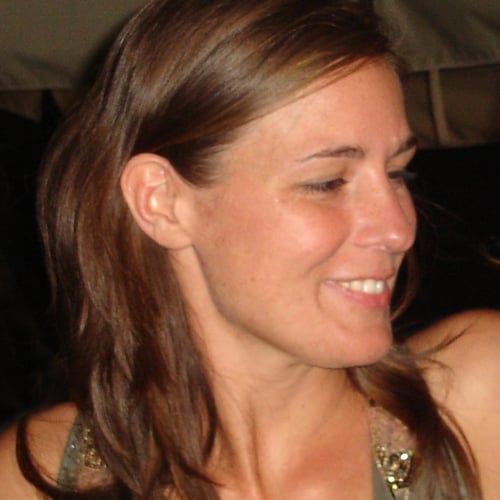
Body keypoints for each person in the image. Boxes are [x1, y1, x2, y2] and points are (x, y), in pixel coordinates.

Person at [0, 0, 499, 497]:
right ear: (162, 202)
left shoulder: (475, 401)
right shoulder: (35, 479)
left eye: (397, 173)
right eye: (327, 182)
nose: (398, 229)